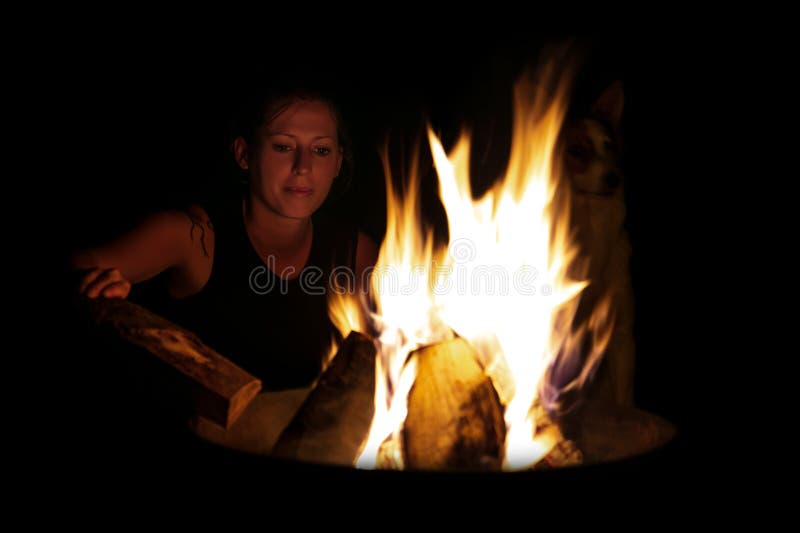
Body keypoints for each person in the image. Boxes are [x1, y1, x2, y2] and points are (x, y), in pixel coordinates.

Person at [71, 82, 379, 396]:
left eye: (321, 150)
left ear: (338, 163)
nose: (303, 166)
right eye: (283, 146)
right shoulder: (193, 237)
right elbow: (77, 268)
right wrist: (99, 286)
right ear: (244, 154)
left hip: (313, 443)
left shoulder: (354, 251)